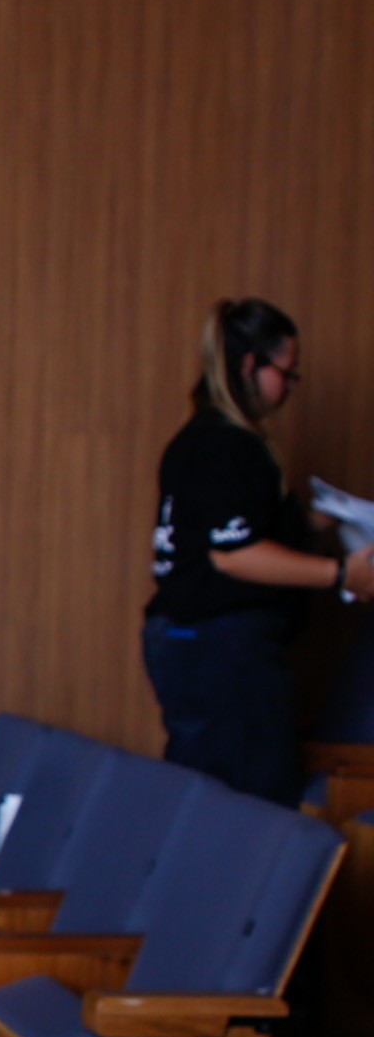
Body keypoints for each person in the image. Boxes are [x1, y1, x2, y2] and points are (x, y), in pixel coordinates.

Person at [144, 298, 374, 804]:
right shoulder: (228, 445)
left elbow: (230, 530)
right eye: (286, 374)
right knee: (249, 804)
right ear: (250, 364)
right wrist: (340, 574)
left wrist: (309, 524)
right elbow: (234, 554)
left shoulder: (203, 438)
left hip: (195, 644)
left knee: (210, 796)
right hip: (221, 652)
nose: (290, 388)